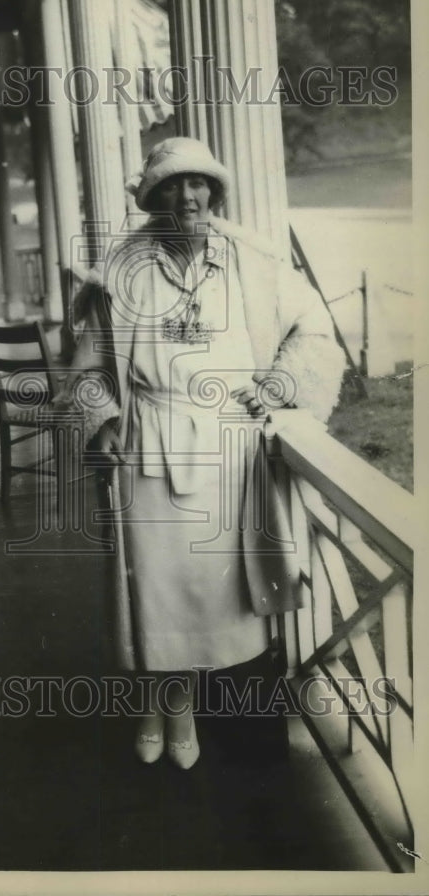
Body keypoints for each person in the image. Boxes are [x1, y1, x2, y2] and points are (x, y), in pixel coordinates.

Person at [55, 137, 345, 769]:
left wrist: (278, 384)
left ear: (215, 192)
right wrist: (103, 419)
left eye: (198, 185)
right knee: (156, 589)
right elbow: (89, 364)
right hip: (148, 442)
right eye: (171, 187)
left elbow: (316, 332)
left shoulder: (255, 259)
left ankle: (193, 701)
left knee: (212, 593)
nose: (187, 198)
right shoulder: (123, 266)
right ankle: (163, 704)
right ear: (153, 196)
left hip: (228, 449)